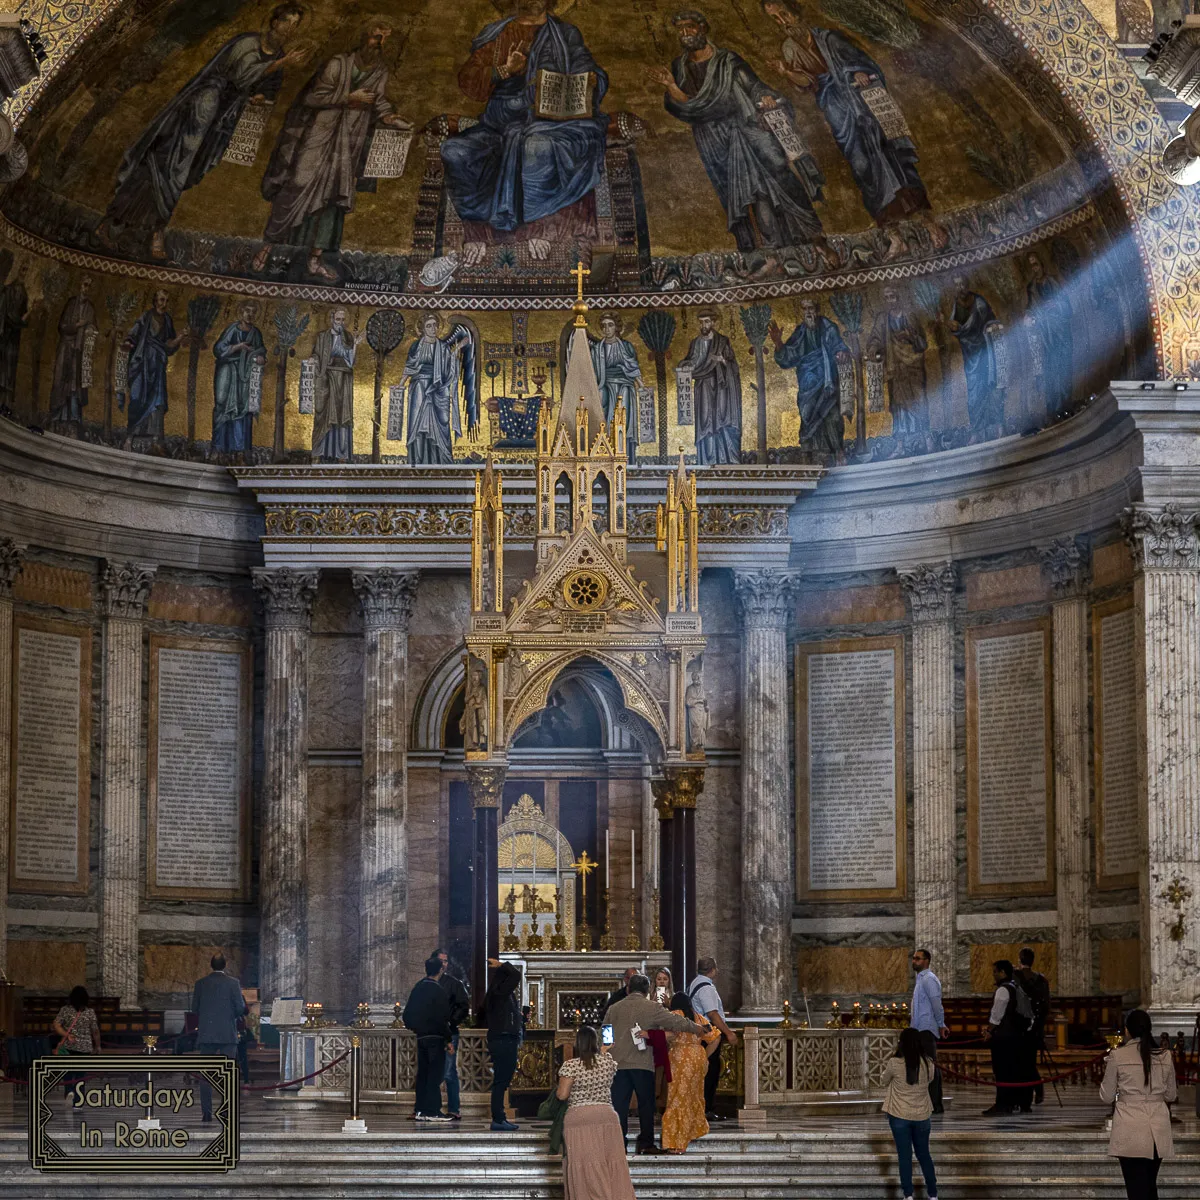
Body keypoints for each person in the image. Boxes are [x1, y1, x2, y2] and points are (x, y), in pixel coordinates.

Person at [99, 4, 308, 261]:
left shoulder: (279, 57)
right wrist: (278, 64)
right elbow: (239, 76)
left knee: (188, 171)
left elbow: (267, 91)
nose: (290, 29)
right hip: (198, 113)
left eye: (296, 25)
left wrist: (259, 96)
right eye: (287, 21)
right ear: (274, 21)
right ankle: (124, 226)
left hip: (219, 125)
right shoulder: (246, 43)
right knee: (165, 165)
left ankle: (143, 230)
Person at [441, 0, 609, 265]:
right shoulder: (496, 33)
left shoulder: (566, 34)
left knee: (536, 146)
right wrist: (504, 70)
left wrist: (590, 80)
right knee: (455, 151)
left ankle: (538, 226)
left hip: (553, 122)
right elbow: (469, 80)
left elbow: (588, 73)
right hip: (499, 123)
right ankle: (476, 231)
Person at [652, 10, 825, 253]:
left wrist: (765, 96)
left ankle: (814, 235)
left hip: (746, 126)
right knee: (746, 195)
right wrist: (670, 86)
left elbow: (752, 86)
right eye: (680, 30)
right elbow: (686, 105)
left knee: (778, 169)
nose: (685, 34)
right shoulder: (679, 67)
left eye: (689, 27)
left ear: (702, 28)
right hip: (713, 139)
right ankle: (766, 252)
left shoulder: (728, 61)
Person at [255, 17, 410, 281]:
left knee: (332, 201)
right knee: (297, 184)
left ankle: (314, 260)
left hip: (350, 138)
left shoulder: (380, 71)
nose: (380, 43)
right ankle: (267, 247)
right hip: (321, 133)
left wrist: (391, 117)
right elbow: (313, 97)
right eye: (376, 36)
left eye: (384, 39)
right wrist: (348, 98)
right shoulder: (338, 64)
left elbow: (378, 102)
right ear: (362, 37)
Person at [607, 973, 702, 1155]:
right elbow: (676, 1021)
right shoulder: (652, 1007)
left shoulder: (614, 1008)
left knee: (619, 1105)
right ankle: (645, 1144)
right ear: (646, 990)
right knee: (646, 1105)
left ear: (628, 989)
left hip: (618, 1063)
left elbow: (605, 1031)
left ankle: (619, 1144)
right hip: (642, 1063)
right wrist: (696, 1028)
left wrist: (609, 1050)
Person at [1100, 1009, 1177, 1200]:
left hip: (1130, 1126)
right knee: (1149, 1187)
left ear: (1127, 1031)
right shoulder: (1165, 1056)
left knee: (1137, 1190)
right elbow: (1171, 1094)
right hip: (1157, 1127)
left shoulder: (1118, 1056)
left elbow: (1106, 1097)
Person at [556, 1024, 636, 1199]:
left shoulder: (571, 1066)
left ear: (578, 1043)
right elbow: (602, 1062)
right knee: (609, 1164)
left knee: (583, 1164)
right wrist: (604, 1050)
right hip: (607, 1117)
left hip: (579, 1118)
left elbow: (562, 1095)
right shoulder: (607, 1062)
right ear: (595, 1042)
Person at [770, 300, 850, 456]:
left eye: (811, 308)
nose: (808, 312)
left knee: (832, 417)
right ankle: (812, 455)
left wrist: (841, 353)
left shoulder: (828, 328)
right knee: (808, 415)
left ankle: (838, 453)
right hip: (808, 385)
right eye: (804, 309)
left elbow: (840, 347)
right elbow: (787, 358)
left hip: (828, 382)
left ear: (817, 310)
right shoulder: (799, 332)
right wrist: (778, 342)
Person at [400, 314, 479, 465]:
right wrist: (400, 384)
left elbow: (448, 364)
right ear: (422, 329)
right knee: (418, 425)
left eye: (435, 325)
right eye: (429, 326)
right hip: (419, 388)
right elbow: (409, 367)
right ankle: (418, 460)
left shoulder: (442, 347)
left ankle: (440, 460)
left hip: (437, 389)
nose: (433, 329)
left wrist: (459, 347)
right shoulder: (416, 346)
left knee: (440, 424)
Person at [122, 288, 187, 447]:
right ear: (155, 301)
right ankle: (130, 437)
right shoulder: (147, 316)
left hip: (157, 365)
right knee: (137, 398)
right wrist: (129, 342)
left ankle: (155, 442)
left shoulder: (168, 321)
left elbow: (169, 345)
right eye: (161, 300)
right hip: (142, 363)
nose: (164, 304)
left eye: (166, 300)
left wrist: (181, 336)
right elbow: (134, 333)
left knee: (157, 402)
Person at [676, 310, 742, 465]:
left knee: (721, 420)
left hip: (720, 386)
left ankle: (726, 459)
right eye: (701, 322)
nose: (703, 325)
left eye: (706, 321)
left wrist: (722, 360)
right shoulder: (695, 342)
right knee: (705, 421)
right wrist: (686, 366)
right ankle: (707, 459)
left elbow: (733, 366)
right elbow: (689, 361)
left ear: (713, 323)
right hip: (703, 385)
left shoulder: (722, 341)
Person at [881, 1027, 940, 1200]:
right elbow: (930, 1080)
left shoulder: (894, 1062)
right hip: (922, 1114)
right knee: (924, 1155)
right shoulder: (928, 1063)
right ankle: (933, 1194)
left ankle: (908, 1195)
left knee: (904, 1156)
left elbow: (883, 1080)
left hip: (899, 1114)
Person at [661, 990, 721, 1154]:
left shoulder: (674, 1015)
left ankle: (677, 1142)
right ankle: (688, 1134)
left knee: (677, 1098)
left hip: (679, 1059)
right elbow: (715, 1037)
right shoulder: (699, 1017)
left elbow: (667, 1035)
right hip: (697, 1058)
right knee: (692, 1097)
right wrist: (705, 1056)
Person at [192, 954, 247, 1122]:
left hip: (207, 1033)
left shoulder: (201, 984)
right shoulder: (233, 983)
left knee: (205, 1075)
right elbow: (240, 1009)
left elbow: (194, 1009)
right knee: (228, 1073)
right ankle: (227, 1110)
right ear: (225, 965)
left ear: (211, 965)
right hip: (227, 1034)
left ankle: (206, 1112)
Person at [211, 301, 266, 461]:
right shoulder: (232, 329)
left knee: (242, 410)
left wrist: (261, 357)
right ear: (241, 312)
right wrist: (237, 347)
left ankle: (240, 450)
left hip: (246, 376)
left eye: (253, 312)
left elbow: (260, 350)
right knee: (222, 406)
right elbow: (218, 349)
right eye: (247, 311)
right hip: (228, 371)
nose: (250, 314)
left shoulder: (256, 333)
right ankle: (218, 448)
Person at [402, 955, 454, 1123]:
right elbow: (443, 1017)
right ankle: (432, 1110)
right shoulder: (438, 990)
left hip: (421, 1037)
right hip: (436, 1037)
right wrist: (448, 1039)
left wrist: (417, 1029)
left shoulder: (418, 987)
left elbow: (407, 1015)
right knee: (434, 1075)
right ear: (441, 969)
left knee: (423, 1074)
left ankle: (421, 1110)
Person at [686, 956, 738, 1121]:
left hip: (699, 1034)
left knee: (703, 1071)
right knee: (710, 1072)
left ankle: (701, 1107)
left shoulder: (694, 983)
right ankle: (706, 1108)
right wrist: (728, 1032)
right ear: (713, 969)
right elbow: (712, 1014)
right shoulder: (707, 988)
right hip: (708, 1036)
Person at [309, 307, 363, 462]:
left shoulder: (348, 337)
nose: (340, 323)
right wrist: (313, 359)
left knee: (342, 416)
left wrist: (355, 345)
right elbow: (316, 353)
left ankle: (341, 454)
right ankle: (319, 453)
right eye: (338, 319)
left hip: (343, 380)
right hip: (326, 379)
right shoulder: (322, 337)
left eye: (343, 320)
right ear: (332, 319)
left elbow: (351, 361)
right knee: (324, 416)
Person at [478, 956, 523, 1131]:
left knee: (502, 1081)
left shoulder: (502, 994)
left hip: (505, 1038)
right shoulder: (499, 992)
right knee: (501, 1081)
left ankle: (500, 1117)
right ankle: (498, 1118)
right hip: (503, 1040)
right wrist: (502, 965)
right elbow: (516, 976)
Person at [590, 314, 644, 461]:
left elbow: (633, 366)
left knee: (623, 414)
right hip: (605, 384)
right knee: (602, 406)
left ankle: (625, 454)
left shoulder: (626, 346)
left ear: (617, 327)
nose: (607, 329)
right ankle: (603, 453)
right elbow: (593, 371)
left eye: (610, 325)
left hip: (624, 384)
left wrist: (640, 383)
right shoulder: (597, 349)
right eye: (604, 326)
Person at [982, 958, 1032, 1115]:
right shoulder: (1017, 987)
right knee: (1016, 1071)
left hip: (1004, 1038)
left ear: (1003, 972)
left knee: (1003, 1071)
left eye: (995, 972)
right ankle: (1018, 1102)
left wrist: (989, 1031)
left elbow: (996, 1015)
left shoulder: (1003, 990)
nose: (993, 975)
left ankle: (1003, 1104)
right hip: (1019, 1037)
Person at [49, 277, 96, 435]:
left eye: (89, 286)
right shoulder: (70, 303)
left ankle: (74, 419)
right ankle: (57, 416)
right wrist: (77, 326)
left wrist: (89, 330)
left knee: (76, 385)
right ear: (79, 285)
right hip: (66, 347)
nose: (86, 288)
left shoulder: (90, 308)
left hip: (79, 351)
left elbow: (93, 329)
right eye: (84, 284)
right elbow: (62, 326)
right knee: (61, 380)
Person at [909, 948, 947, 1114]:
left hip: (927, 1028)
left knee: (931, 1067)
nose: (914, 961)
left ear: (926, 961)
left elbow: (936, 1004)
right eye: (913, 958)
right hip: (919, 1029)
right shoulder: (920, 979)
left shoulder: (929, 979)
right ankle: (927, 1102)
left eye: (917, 958)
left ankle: (935, 1104)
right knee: (924, 1067)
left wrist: (941, 1024)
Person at [435, 948, 470, 1121]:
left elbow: (464, 1006)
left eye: (446, 961)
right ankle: (432, 1107)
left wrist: (451, 1021)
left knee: (448, 1071)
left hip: (449, 1032)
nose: (443, 964)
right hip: (432, 1032)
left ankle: (453, 1109)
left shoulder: (454, 983)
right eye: (440, 961)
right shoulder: (428, 982)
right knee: (438, 1070)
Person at [1015, 946, 1051, 1106]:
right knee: (1029, 1062)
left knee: (1021, 1064)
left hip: (1019, 1027)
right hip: (1035, 1027)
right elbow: (1046, 1007)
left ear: (1020, 959)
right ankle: (1032, 1092)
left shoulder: (1015, 977)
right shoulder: (1041, 980)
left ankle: (1027, 1096)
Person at [53, 985, 101, 1100]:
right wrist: (98, 1046)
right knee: (81, 1074)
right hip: (85, 1047)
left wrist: (66, 1035)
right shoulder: (90, 1012)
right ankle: (78, 1100)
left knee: (68, 1071)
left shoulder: (65, 1010)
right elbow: (95, 1031)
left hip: (69, 1046)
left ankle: (69, 1091)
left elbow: (56, 1025)